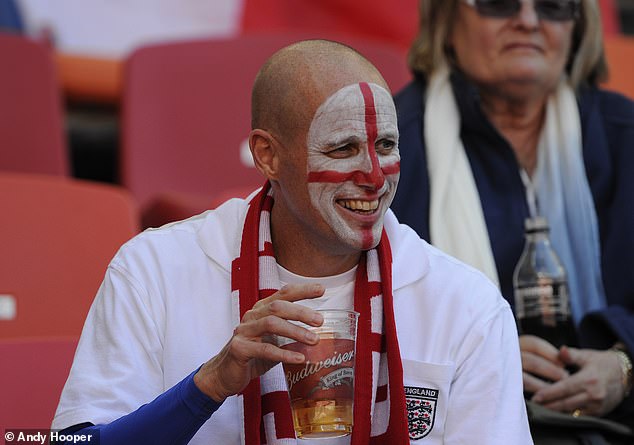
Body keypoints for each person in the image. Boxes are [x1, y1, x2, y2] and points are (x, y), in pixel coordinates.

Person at [52, 39, 533, 444]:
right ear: (267, 156)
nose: (373, 176)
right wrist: (210, 384)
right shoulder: (153, 269)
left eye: (385, 145)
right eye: (343, 148)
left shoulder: (466, 303)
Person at [390, 0, 634, 437]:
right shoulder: (386, 149)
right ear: (445, 20)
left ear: (578, 25)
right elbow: (345, 317)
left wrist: (624, 364)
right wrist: (481, 353)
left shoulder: (625, 134)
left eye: (554, 5)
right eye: (498, 3)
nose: (527, 20)